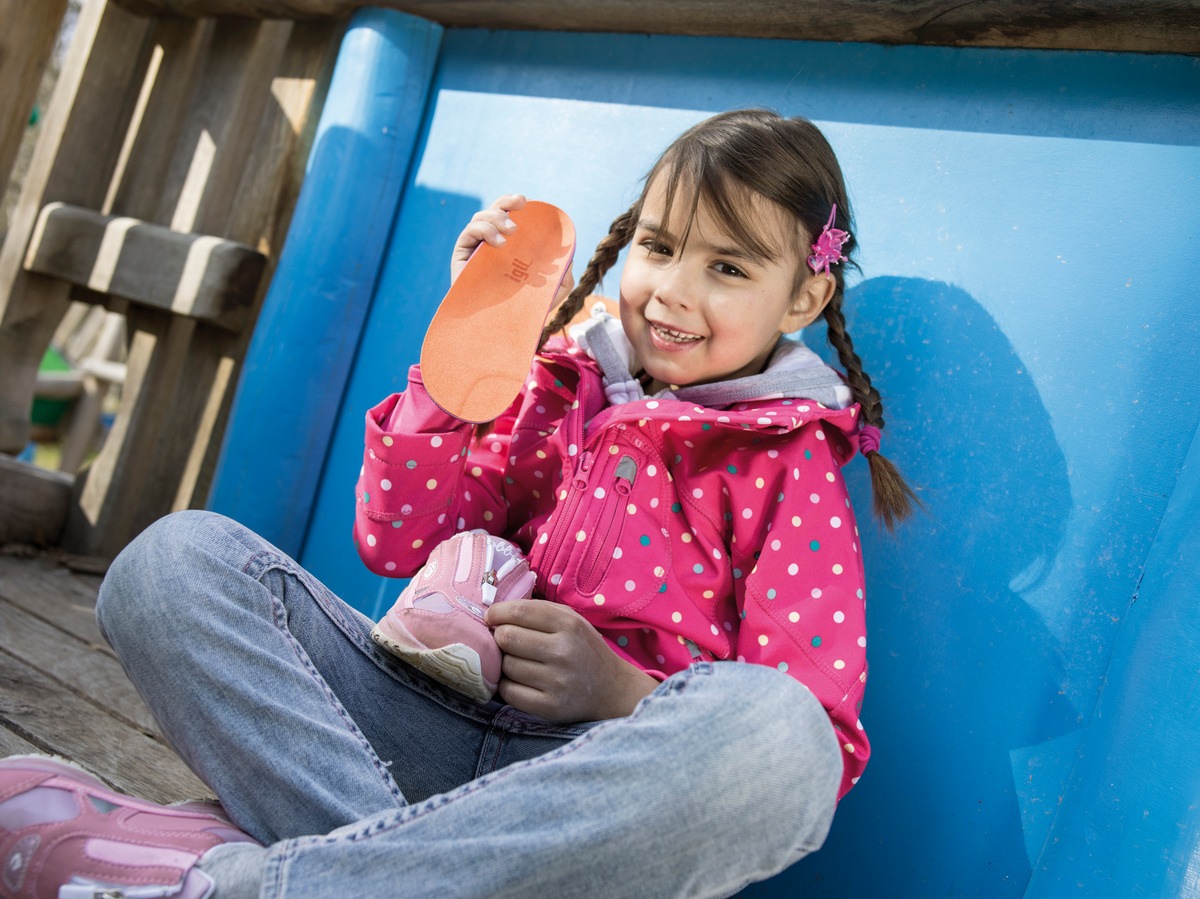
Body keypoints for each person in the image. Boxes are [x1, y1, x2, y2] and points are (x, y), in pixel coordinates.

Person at [0, 108, 915, 899]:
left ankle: (257, 878)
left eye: (727, 267)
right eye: (659, 246)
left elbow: (822, 737)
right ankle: (383, 871)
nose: (673, 290)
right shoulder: (565, 380)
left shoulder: (788, 461)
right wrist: (468, 350)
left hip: (577, 804)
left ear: (805, 294)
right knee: (167, 566)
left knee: (781, 739)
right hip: (407, 732)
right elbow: (396, 539)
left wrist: (619, 691)